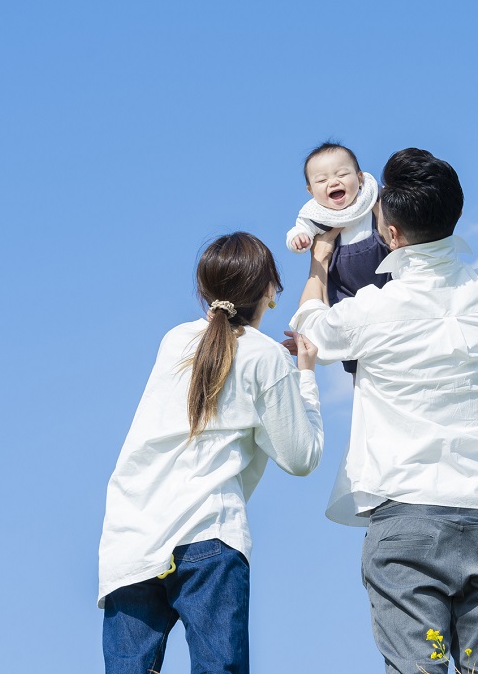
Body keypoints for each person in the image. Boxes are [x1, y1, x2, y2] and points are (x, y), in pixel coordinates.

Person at [289, 148, 478, 674]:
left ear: (390, 237)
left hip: (405, 513)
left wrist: (320, 263)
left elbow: (310, 326)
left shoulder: (375, 308)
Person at [99, 232, 324, 674]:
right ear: (269, 292)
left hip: (131, 539)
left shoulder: (175, 341)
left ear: (204, 290)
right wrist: (303, 377)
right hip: (208, 533)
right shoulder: (265, 358)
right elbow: (301, 457)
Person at [285, 141, 390, 373]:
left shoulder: (371, 199)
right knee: (353, 350)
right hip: (344, 288)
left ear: (360, 178)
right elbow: (298, 230)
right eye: (321, 180)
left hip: (383, 275)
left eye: (343, 174)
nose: (333, 182)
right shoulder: (316, 215)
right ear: (311, 192)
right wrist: (299, 239)